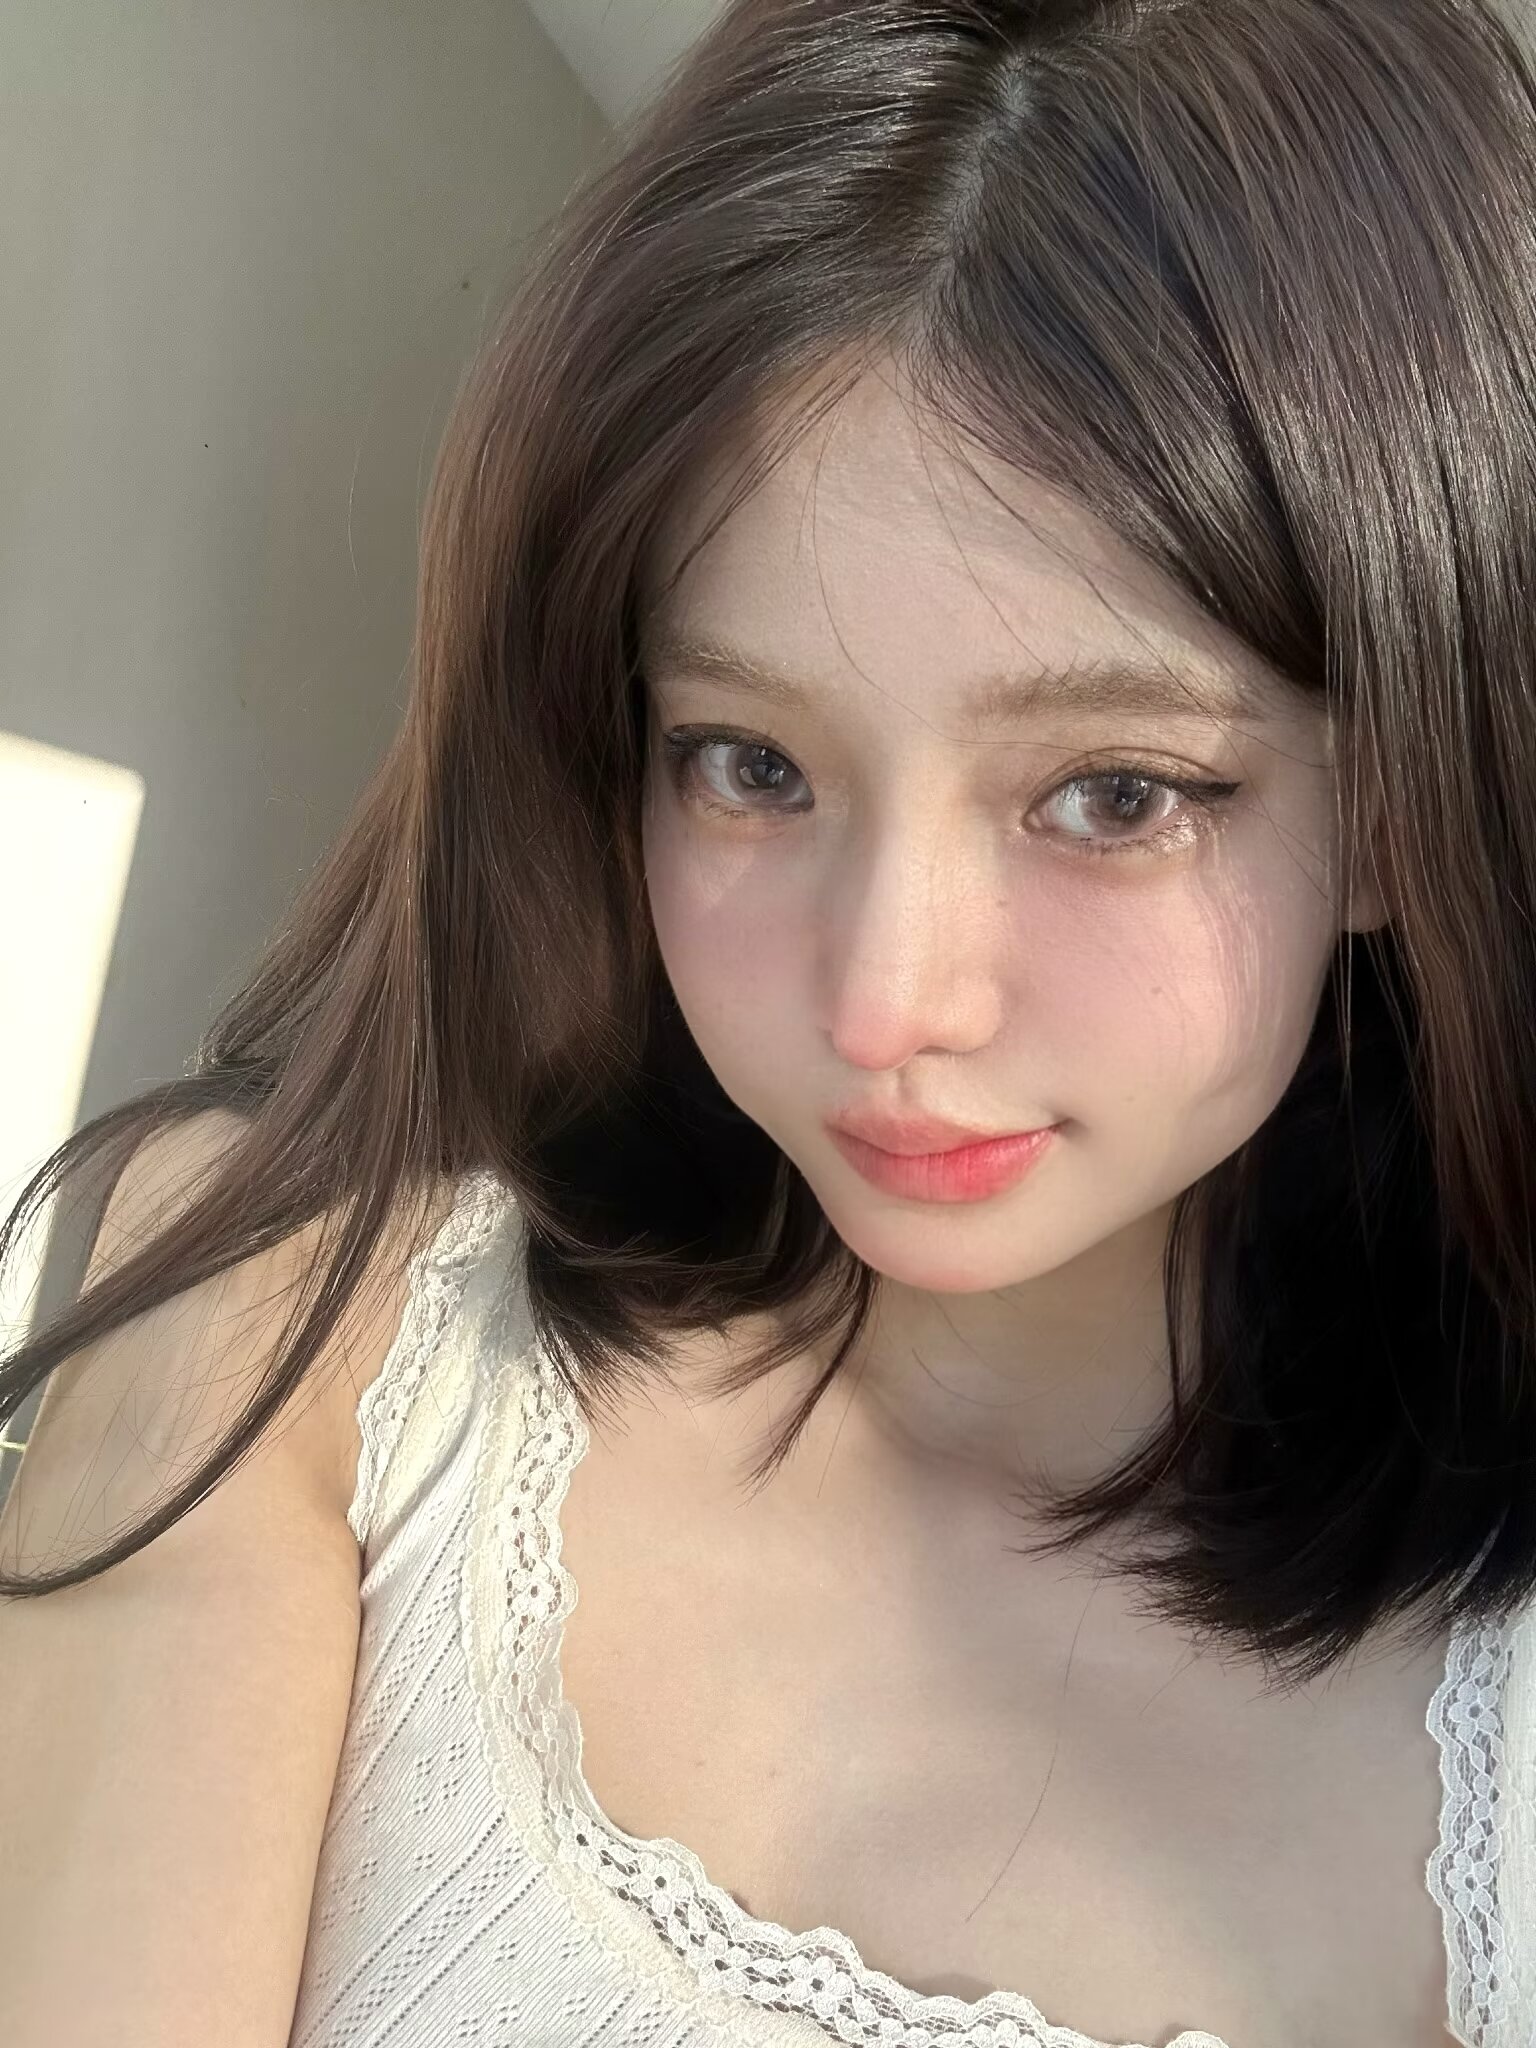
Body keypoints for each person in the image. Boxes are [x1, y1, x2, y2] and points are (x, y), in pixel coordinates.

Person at [2, 0, 1534, 2042]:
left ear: (1406, 799)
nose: (886, 999)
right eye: (751, 763)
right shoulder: (297, 1345)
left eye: (1116, 794)